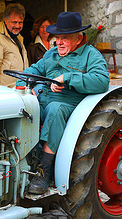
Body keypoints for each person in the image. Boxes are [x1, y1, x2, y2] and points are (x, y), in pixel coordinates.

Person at [16, 11, 110, 195]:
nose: (58, 42)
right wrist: (26, 85)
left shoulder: (91, 56)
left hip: (70, 105)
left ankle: (45, 170)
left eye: (64, 38)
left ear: (79, 38)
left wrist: (67, 78)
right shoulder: (51, 54)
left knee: (55, 110)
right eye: (57, 37)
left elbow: (101, 81)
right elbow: (31, 71)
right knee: (21, 107)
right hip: (44, 99)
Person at [0, 3, 29, 87]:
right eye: (14, 22)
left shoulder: (19, 38)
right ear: (6, 20)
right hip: (5, 92)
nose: (17, 26)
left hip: (19, 90)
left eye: (20, 22)